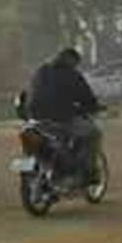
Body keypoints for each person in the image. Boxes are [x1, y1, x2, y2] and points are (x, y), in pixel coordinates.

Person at [27, 47, 103, 181]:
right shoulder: (71, 74)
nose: (76, 65)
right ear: (71, 60)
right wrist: (94, 106)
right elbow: (86, 97)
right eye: (76, 62)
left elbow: (31, 92)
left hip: (35, 119)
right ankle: (88, 173)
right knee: (94, 133)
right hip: (61, 119)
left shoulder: (40, 71)